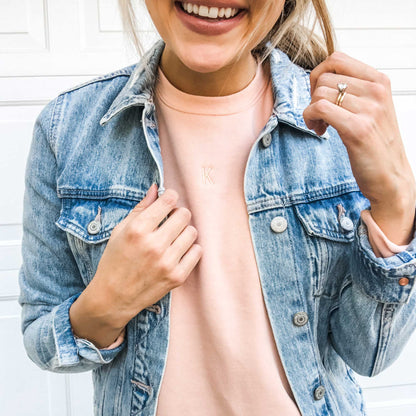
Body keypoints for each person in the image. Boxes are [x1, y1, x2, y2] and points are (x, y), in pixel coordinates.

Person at [18, 0, 416, 415]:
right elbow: (40, 338)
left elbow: (369, 354)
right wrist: (106, 303)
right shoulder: (66, 128)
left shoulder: (343, 126)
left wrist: (397, 201)